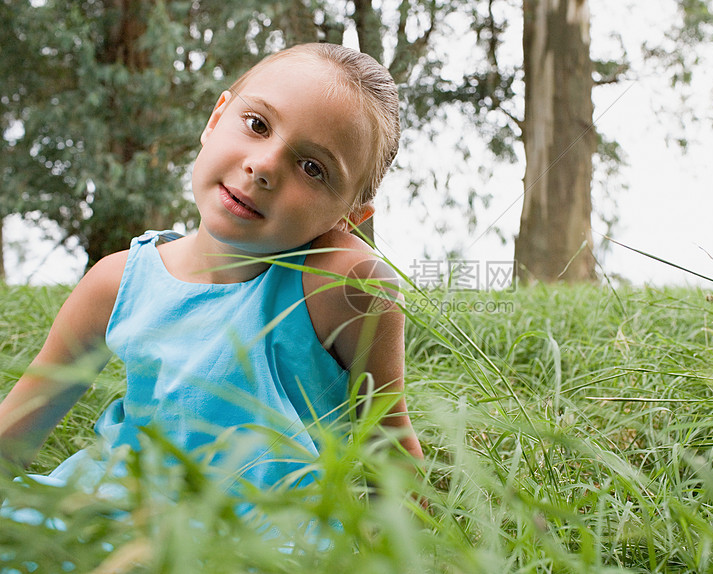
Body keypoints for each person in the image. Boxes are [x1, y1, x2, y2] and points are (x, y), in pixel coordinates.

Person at [0, 43, 423, 502]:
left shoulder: (342, 284)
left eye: (312, 168)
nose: (262, 167)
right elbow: (13, 436)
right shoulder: (116, 282)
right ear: (215, 118)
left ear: (349, 217)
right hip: (106, 517)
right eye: (257, 124)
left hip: (267, 546)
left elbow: (389, 448)